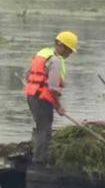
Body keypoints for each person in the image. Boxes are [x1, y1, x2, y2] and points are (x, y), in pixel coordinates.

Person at [24, 31, 78, 164]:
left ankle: (38, 157)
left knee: (40, 127)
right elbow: (53, 88)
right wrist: (59, 106)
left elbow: (27, 75)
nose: (69, 54)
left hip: (32, 96)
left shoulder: (43, 53)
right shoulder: (55, 61)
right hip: (42, 99)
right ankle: (39, 162)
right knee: (45, 130)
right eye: (69, 51)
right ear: (61, 46)